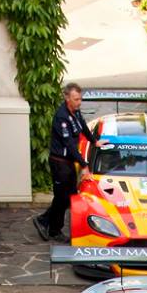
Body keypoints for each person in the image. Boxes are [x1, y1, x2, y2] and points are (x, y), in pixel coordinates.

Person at [34, 82, 92, 242]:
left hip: (68, 163)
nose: (79, 102)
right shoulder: (61, 117)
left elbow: (84, 128)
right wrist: (84, 164)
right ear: (67, 98)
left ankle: (50, 226)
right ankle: (48, 224)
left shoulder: (76, 112)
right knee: (61, 197)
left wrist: (95, 141)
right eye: (76, 99)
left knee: (69, 196)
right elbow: (69, 145)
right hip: (60, 163)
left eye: (80, 99)